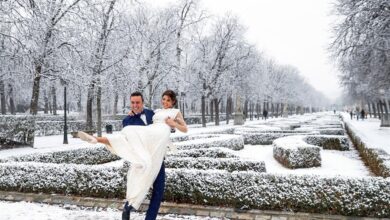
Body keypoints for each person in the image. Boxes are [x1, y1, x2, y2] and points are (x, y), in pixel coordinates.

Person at [78, 90, 188, 220]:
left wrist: (173, 125)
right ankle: (127, 208)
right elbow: (126, 141)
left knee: (158, 191)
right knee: (138, 184)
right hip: (140, 158)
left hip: (157, 156)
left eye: (138, 102)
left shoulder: (152, 113)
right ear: (130, 104)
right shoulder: (128, 120)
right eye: (133, 103)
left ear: (142, 103)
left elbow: (171, 126)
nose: (135, 105)